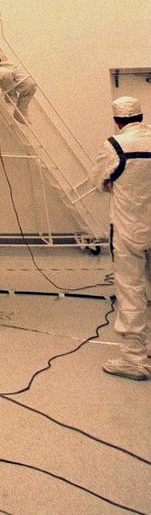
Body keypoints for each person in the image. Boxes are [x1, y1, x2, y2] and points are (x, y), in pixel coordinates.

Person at [91, 96, 151, 380]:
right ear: (140, 116)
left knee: (131, 292)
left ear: (117, 121)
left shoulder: (114, 145)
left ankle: (134, 359)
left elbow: (100, 183)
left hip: (129, 230)